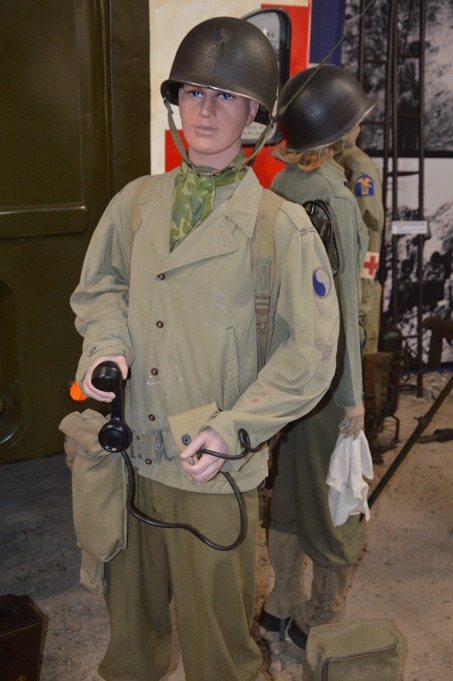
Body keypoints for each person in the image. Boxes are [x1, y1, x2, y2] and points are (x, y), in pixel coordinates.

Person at [70, 17, 339, 681]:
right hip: (129, 451)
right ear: (175, 102)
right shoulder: (135, 204)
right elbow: (100, 287)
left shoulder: (280, 227)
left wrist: (232, 429)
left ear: (254, 112)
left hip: (210, 467)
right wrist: (107, 344)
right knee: (129, 643)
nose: (206, 109)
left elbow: (308, 354)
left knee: (222, 652)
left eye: (224, 96)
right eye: (193, 92)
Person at [259, 64, 374, 649]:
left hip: (285, 370)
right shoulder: (337, 198)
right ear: (342, 133)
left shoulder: (278, 189)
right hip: (329, 375)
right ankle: (318, 619)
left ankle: (278, 605)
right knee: (337, 494)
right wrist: (353, 398)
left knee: (290, 484)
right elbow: (348, 306)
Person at [336, 123, 385, 356]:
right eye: (355, 121)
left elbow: (370, 231)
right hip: (353, 285)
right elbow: (371, 230)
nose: (360, 128)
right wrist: (365, 290)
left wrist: (366, 282)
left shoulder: (351, 163)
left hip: (353, 282)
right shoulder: (358, 164)